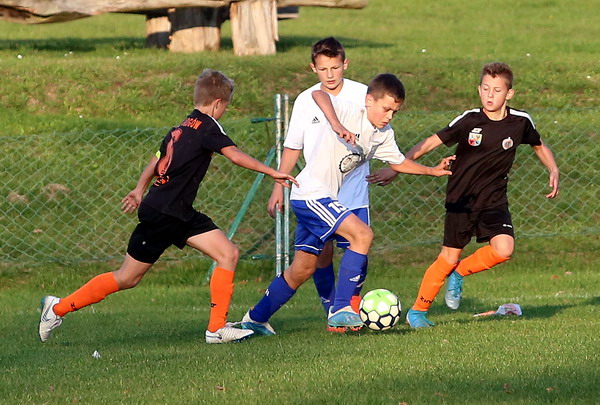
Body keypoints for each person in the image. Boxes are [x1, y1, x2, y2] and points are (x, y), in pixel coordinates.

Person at [38, 69, 298, 344]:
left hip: (175, 211)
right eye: (226, 106)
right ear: (217, 103)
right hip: (164, 213)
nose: (225, 111)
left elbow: (156, 158)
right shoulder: (209, 126)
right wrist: (272, 172)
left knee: (228, 253)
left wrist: (139, 189)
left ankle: (216, 329)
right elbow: (234, 155)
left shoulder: (181, 127)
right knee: (127, 278)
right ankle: (56, 309)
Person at [241, 73, 453, 335]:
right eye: (385, 108)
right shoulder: (351, 112)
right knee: (362, 235)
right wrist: (336, 124)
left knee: (302, 268)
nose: (389, 116)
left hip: (321, 198)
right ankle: (341, 308)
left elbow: (398, 162)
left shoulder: (383, 134)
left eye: (394, 112)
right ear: (369, 100)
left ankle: (255, 318)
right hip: (311, 194)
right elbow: (318, 94)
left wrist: (431, 171)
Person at [399, 62, 559, 328]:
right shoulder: (469, 120)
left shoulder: (520, 122)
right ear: (479, 89)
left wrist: (553, 168)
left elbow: (538, 145)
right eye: (485, 88)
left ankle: (459, 273)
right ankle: (417, 312)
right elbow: (430, 143)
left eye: (497, 90)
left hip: (494, 200)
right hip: (461, 200)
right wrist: (399, 165)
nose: (490, 95)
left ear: (509, 93)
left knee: (504, 249)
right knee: (448, 257)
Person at [268, 37, 398, 319]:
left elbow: (383, 136)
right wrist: (279, 186)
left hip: (354, 190)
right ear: (313, 68)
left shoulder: (363, 95)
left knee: (359, 246)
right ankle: (333, 311)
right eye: (323, 69)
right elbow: (293, 146)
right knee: (318, 256)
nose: (330, 75)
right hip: (319, 191)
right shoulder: (306, 99)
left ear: (345, 64)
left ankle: (348, 309)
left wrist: (395, 168)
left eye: (335, 68)